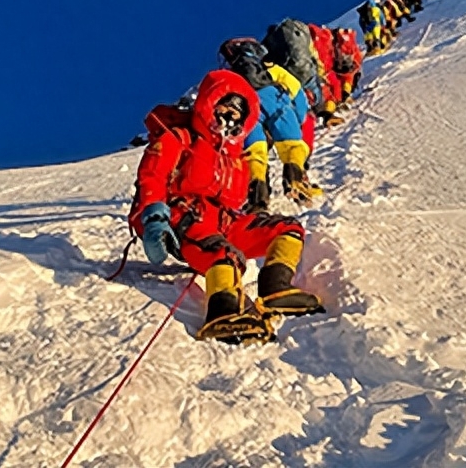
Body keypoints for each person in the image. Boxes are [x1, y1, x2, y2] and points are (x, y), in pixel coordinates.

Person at [131, 69, 323, 343]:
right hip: (184, 219)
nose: (230, 115)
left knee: (287, 228)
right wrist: (154, 217)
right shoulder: (179, 138)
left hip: (223, 221)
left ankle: (276, 288)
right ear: (209, 102)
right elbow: (153, 175)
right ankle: (223, 313)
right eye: (225, 105)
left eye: (238, 111)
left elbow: (233, 202)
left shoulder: (235, 158)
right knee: (225, 254)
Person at [219, 38, 322, 210]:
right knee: (292, 146)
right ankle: (295, 180)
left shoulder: (232, 76)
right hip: (275, 102)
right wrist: (298, 116)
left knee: (255, 153)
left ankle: (258, 198)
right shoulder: (268, 67)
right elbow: (295, 87)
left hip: (247, 108)